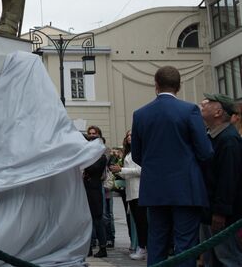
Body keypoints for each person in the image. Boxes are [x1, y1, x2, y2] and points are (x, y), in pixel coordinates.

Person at [131, 66, 213, 267]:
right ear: (179, 86)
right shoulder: (190, 110)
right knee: (185, 245)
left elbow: (137, 155)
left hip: (155, 188)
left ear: (156, 85)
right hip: (186, 187)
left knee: (157, 242)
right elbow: (205, 151)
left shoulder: (140, 114)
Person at [199, 93, 242, 266]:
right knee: (212, 259)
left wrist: (220, 211)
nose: (203, 104)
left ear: (218, 112)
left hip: (222, 216)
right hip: (210, 211)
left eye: (208, 103)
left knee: (227, 258)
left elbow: (228, 180)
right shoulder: (213, 136)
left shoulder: (229, 140)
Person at [110, 129, 148, 260]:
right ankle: (142, 247)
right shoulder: (128, 153)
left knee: (143, 222)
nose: (129, 137)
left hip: (139, 191)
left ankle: (144, 248)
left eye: (132, 134)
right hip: (130, 192)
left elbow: (141, 170)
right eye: (127, 135)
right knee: (138, 222)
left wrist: (122, 169)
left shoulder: (140, 151)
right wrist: (118, 171)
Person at [83, 128, 108, 258]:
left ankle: (103, 247)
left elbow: (93, 169)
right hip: (87, 190)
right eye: (90, 134)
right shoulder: (89, 155)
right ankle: (89, 247)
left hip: (95, 191)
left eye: (94, 134)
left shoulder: (101, 156)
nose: (91, 136)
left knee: (98, 220)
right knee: (87, 220)